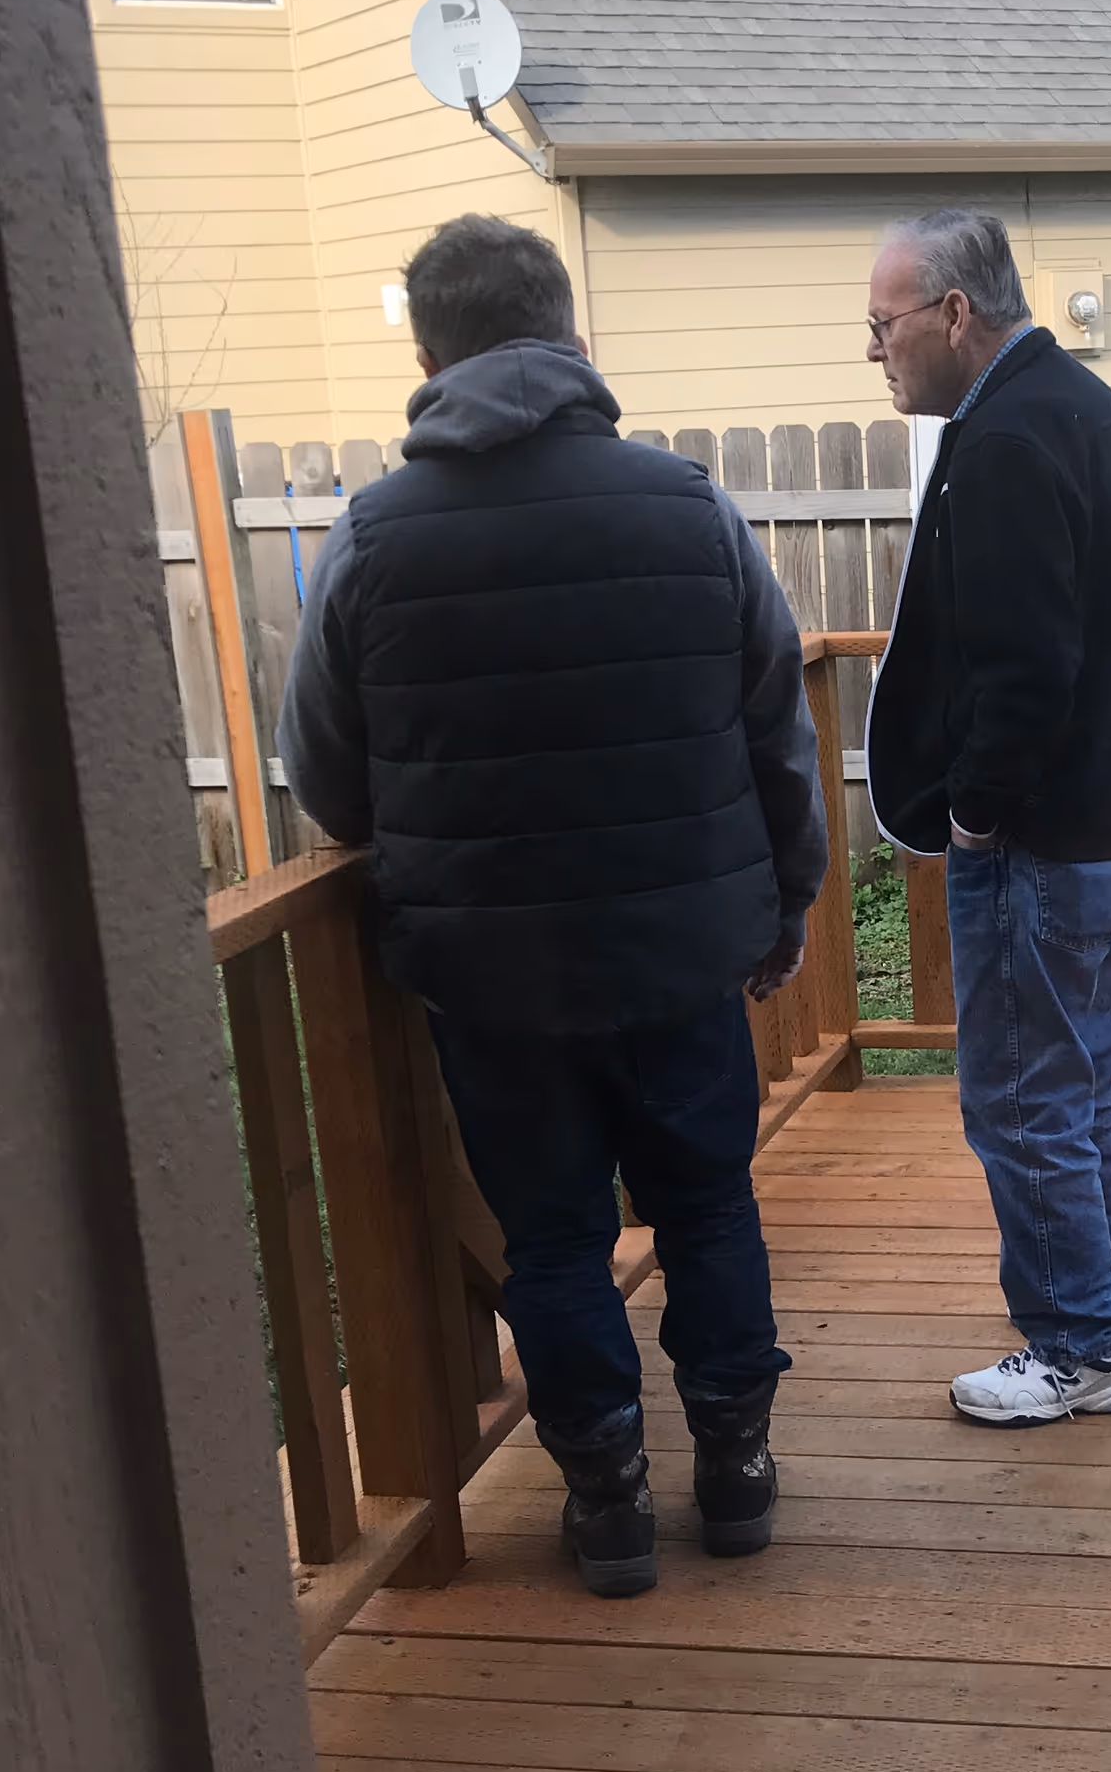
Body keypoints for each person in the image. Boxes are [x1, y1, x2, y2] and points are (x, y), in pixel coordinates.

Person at [278, 213, 826, 1593]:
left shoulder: (370, 539)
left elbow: (328, 777)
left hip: (493, 975)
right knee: (707, 1209)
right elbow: (777, 730)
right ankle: (741, 1476)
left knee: (555, 1237)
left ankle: (610, 1503)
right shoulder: (690, 506)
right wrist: (788, 895)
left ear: (426, 352)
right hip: (685, 954)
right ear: (572, 336)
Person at [864, 210, 1111, 1427]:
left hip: (1039, 832)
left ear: (953, 313)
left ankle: (1083, 1345)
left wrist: (978, 816)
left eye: (883, 324)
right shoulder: (1091, 412)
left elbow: (1025, 669)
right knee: (1079, 1072)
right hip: (1103, 813)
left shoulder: (1003, 439)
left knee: (1020, 1095)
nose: (875, 350)